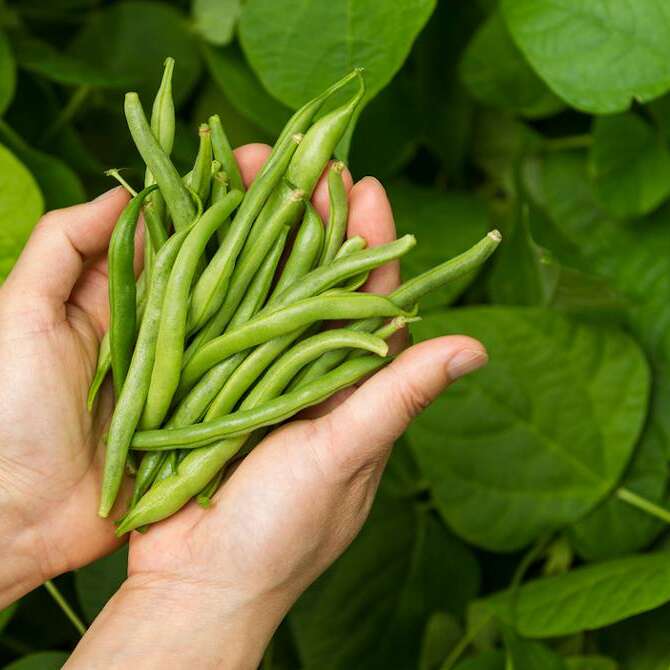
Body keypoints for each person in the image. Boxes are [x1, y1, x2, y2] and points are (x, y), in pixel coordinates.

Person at [0, 143, 487, 668]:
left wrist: (18, 497)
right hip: (139, 447)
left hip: (140, 450)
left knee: (258, 317)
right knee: (203, 286)